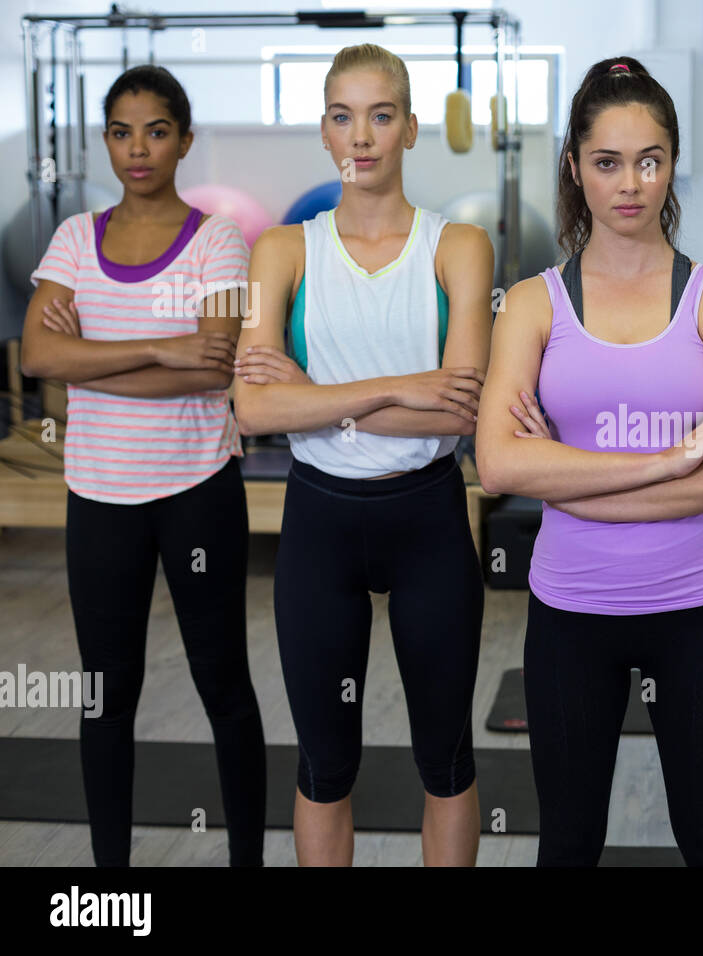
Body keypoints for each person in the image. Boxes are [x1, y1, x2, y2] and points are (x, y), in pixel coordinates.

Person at [475, 56, 703, 867]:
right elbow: (498, 466)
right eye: (607, 162)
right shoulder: (534, 303)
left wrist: (564, 472)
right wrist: (674, 458)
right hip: (571, 616)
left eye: (650, 160)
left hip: (695, 611)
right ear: (575, 165)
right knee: (567, 843)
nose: (630, 183)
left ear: (673, 163)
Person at [231, 43, 493, 866]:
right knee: (324, 765)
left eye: (381, 115)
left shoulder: (460, 246)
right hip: (321, 525)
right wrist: (405, 392)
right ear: (323, 131)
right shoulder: (282, 250)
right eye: (343, 116)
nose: (363, 135)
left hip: (429, 520)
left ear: (412, 128)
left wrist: (317, 400)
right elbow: (253, 408)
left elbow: (463, 403)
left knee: (445, 763)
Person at [21, 65, 265, 866]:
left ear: (184, 140)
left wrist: (88, 359)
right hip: (99, 496)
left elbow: (214, 368)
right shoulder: (72, 240)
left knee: (222, 683)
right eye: (122, 132)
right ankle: (113, 878)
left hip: (197, 489)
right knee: (105, 696)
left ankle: (246, 862)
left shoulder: (219, 239)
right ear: (106, 140)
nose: (138, 148)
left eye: (156, 131)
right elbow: (38, 353)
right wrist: (161, 343)